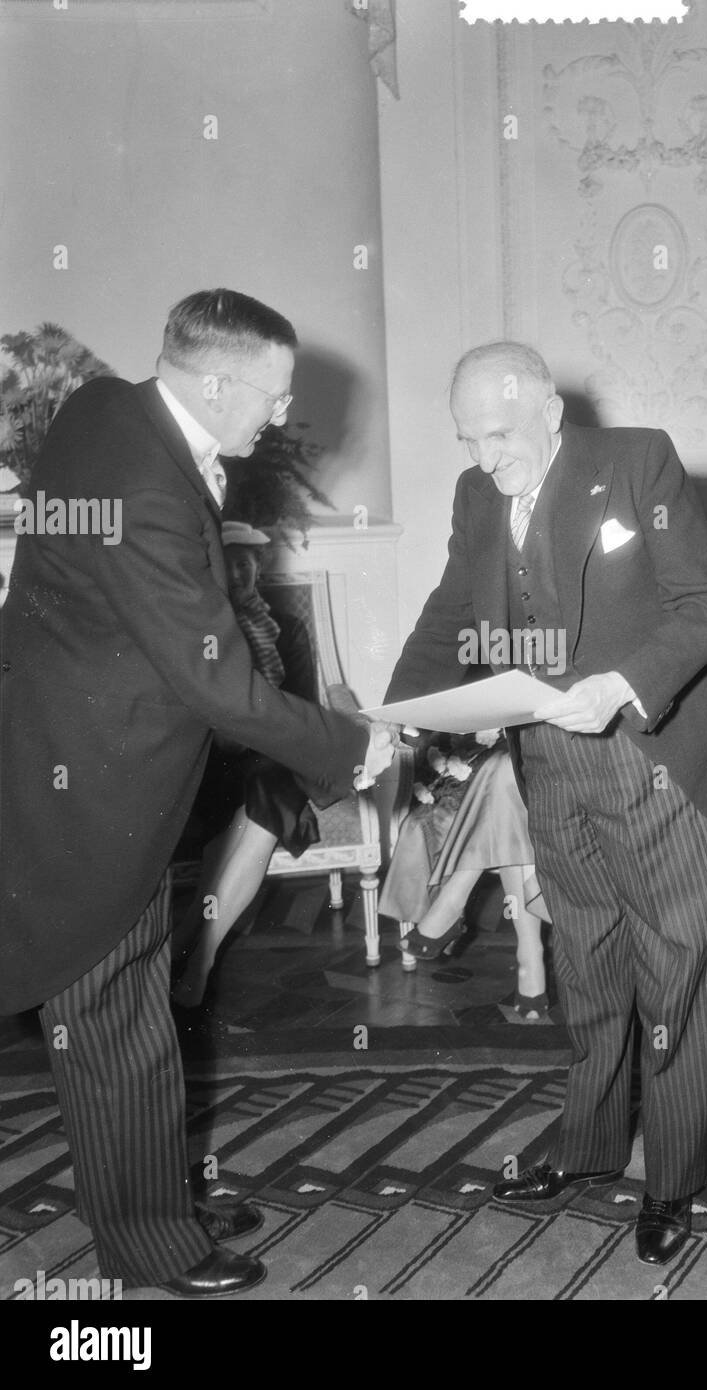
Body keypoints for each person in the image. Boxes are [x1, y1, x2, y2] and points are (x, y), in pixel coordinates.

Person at [0, 290, 393, 1298]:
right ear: (215, 381)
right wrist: (352, 742)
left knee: (125, 1018)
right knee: (115, 1028)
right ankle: (151, 1246)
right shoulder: (146, 481)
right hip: (86, 786)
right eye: (271, 394)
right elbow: (215, 679)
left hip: (86, 753)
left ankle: (155, 1202)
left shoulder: (107, 409)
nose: (280, 413)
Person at [377, 341, 707, 1265]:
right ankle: (589, 1146)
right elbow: (449, 612)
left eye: (500, 433)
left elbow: (706, 606)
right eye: (468, 439)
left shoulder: (636, 461)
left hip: (651, 756)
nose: (484, 456)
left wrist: (622, 683)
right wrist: (399, 714)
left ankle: (670, 1178)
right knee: (585, 956)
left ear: (552, 408)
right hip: (547, 761)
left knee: (676, 966)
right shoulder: (478, 496)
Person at [171, 521, 324, 1009]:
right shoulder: (204, 627)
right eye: (228, 561)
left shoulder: (288, 626)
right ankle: (192, 938)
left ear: (258, 567)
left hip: (276, 753)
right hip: (215, 756)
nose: (237, 572)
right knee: (249, 810)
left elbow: (305, 704)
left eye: (246, 561)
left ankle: (200, 955)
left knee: (267, 801)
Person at [379, 730, 549, 1020]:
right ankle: (530, 957)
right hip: (504, 773)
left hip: (567, 761)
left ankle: (453, 899)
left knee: (504, 770)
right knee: (505, 779)